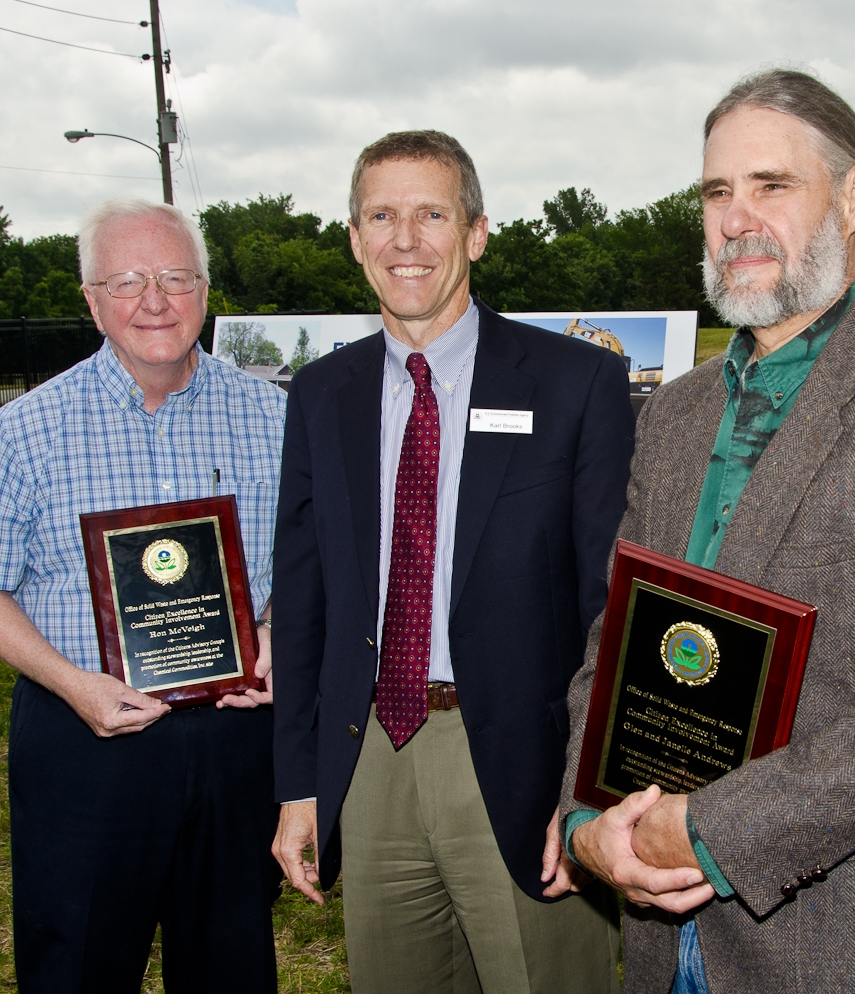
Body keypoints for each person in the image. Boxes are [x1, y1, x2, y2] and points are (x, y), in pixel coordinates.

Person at [551, 69, 855, 993]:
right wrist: (584, 813)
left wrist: (709, 833)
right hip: (652, 922)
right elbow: (617, 638)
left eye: (772, 186)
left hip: (831, 935)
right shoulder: (672, 417)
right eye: (717, 192)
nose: (736, 219)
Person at [270, 130, 633, 994]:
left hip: (519, 760)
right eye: (381, 217)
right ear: (355, 241)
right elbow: (306, 593)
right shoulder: (324, 394)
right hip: (371, 760)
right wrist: (299, 783)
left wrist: (589, 787)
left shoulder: (575, 383)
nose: (406, 240)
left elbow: (606, 601)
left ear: (475, 231)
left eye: (431, 213)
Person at [0, 198, 287, 992]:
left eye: (175, 277)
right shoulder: (24, 430)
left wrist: (282, 633)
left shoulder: (277, 418)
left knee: (229, 965)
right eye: (127, 281)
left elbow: (316, 568)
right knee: (78, 963)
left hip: (237, 739)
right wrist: (73, 684)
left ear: (206, 288)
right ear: (91, 301)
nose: (155, 301)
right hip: (83, 734)